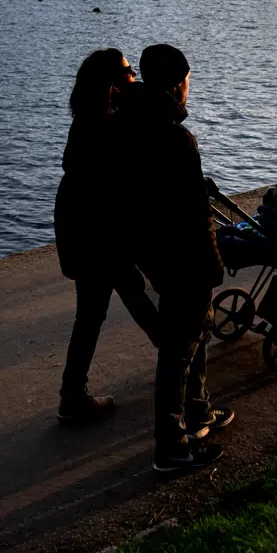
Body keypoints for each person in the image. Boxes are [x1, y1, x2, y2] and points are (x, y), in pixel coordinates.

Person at [120, 43, 232, 473]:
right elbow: (195, 216)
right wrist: (213, 266)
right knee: (179, 348)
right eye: (188, 80)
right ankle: (170, 446)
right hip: (182, 256)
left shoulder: (130, 124)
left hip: (153, 252)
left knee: (192, 335)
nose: (190, 88)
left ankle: (199, 413)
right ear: (175, 84)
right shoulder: (175, 138)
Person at [53, 48, 166, 424]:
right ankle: (176, 361)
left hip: (81, 229)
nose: (134, 74)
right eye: (128, 71)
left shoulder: (87, 121)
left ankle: (72, 396)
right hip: (100, 233)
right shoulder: (110, 125)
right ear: (113, 84)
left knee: (94, 310)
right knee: (135, 293)